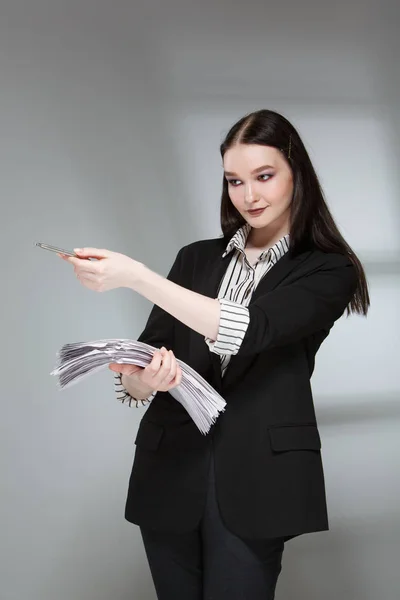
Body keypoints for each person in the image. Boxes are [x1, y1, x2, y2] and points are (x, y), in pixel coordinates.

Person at [61, 109, 369, 600]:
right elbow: (143, 366)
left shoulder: (328, 271)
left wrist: (138, 277)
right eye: (234, 181)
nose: (249, 196)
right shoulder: (195, 258)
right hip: (170, 468)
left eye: (264, 177)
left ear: (297, 176)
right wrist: (143, 380)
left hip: (258, 475)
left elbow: (252, 330)